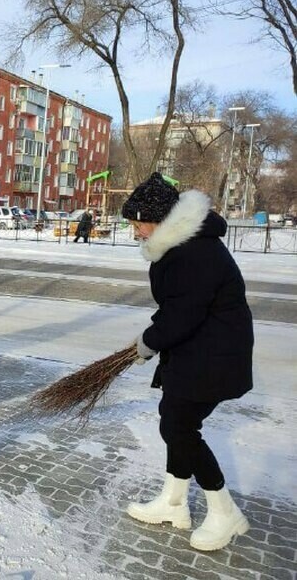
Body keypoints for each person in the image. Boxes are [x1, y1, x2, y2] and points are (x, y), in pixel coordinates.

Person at [122, 172, 253, 552]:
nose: (135, 232)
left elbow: (182, 313)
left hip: (213, 355)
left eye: (138, 223)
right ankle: (174, 503)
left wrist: (148, 342)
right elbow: (177, 308)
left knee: (180, 427)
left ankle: (224, 511)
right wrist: (151, 340)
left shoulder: (194, 251)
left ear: (159, 219)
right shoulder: (185, 245)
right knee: (174, 421)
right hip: (197, 350)